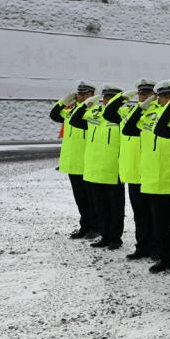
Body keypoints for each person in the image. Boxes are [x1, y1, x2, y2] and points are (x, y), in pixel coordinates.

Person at [123, 78, 170, 274]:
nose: (167, 99)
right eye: (164, 95)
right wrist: (143, 107)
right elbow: (129, 128)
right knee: (159, 224)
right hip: (152, 176)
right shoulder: (150, 113)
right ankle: (163, 257)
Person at [104, 79, 156, 260]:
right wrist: (128, 95)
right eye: (142, 93)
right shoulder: (128, 112)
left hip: (152, 172)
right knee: (140, 215)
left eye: (148, 93)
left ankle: (157, 249)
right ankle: (142, 247)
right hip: (133, 172)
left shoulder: (159, 113)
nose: (144, 96)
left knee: (154, 216)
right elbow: (109, 111)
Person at [77, 83, 125, 250]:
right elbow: (76, 119)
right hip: (94, 168)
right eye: (105, 96)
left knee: (115, 208)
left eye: (111, 97)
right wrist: (87, 103)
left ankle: (115, 238)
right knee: (101, 207)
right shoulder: (95, 112)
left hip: (113, 168)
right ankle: (105, 236)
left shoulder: (122, 114)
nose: (106, 100)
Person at [50, 81, 98, 239]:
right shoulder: (70, 110)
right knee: (81, 199)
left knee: (92, 199)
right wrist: (65, 100)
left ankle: (95, 227)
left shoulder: (94, 111)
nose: (82, 96)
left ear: (93, 95)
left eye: (86, 94)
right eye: (80, 94)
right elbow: (54, 114)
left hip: (87, 161)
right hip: (73, 162)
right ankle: (85, 226)